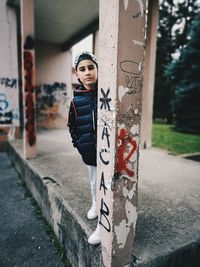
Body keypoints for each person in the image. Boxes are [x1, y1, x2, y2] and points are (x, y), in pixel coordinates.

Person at [68, 51, 100, 245]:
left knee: (104, 185)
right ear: (77, 74)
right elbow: (72, 125)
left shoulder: (106, 93)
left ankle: (103, 225)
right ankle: (95, 204)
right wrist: (79, 144)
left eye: (91, 67)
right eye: (82, 69)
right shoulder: (76, 100)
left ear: (97, 70)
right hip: (88, 151)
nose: (87, 72)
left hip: (107, 154)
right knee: (93, 182)